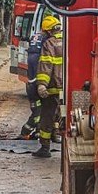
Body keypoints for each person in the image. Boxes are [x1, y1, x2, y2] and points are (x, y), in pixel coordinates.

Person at [33, 15, 65, 158]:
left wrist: (41, 85)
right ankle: (58, 136)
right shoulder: (69, 41)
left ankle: (45, 147)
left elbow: (46, 66)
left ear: (48, 31)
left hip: (52, 87)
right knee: (61, 114)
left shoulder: (49, 44)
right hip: (65, 87)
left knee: (47, 115)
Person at [19, 24, 45, 140]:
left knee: (42, 110)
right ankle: (25, 132)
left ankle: (39, 132)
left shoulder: (35, 38)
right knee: (38, 114)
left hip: (32, 83)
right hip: (35, 86)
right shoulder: (46, 41)